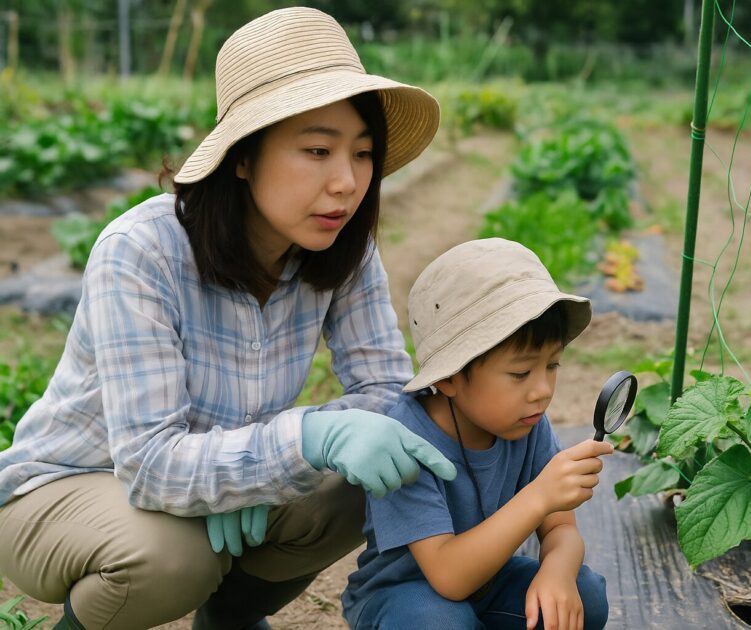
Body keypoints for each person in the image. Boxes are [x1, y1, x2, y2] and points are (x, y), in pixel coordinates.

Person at [0, 7, 457, 629]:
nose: (347, 182)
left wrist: (276, 462)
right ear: (242, 158)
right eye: (317, 150)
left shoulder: (345, 249)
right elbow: (151, 463)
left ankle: (230, 620)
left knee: (366, 483)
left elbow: (384, 394)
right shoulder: (143, 249)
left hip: (190, 475)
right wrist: (306, 440)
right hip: (68, 484)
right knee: (172, 556)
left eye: (363, 153)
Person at [342, 238, 613, 630]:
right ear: (450, 377)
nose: (542, 390)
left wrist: (556, 570)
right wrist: (539, 496)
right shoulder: (404, 442)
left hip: (486, 587)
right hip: (404, 597)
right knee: (441, 622)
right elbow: (448, 576)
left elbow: (561, 529)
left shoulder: (528, 421)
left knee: (584, 594)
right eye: (520, 373)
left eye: (552, 365)